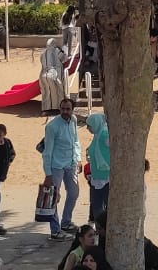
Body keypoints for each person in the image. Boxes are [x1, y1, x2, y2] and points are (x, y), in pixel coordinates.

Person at [43, 98, 82, 240]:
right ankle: (55, 230)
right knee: (53, 197)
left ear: (72, 110)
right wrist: (48, 174)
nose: (65, 111)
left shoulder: (74, 120)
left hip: (71, 164)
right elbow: (47, 152)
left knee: (74, 192)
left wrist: (78, 158)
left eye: (68, 109)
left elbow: (76, 141)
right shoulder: (52, 126)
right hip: (56, 166)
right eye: (62, 109)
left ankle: (66, 222)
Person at [84, 113, 110, 222]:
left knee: (108, 207)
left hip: (106, 178)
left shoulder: (104, 135)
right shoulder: (97, 136)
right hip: (95, 177)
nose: (87, 128)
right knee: (97, 209)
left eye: (89, 125)